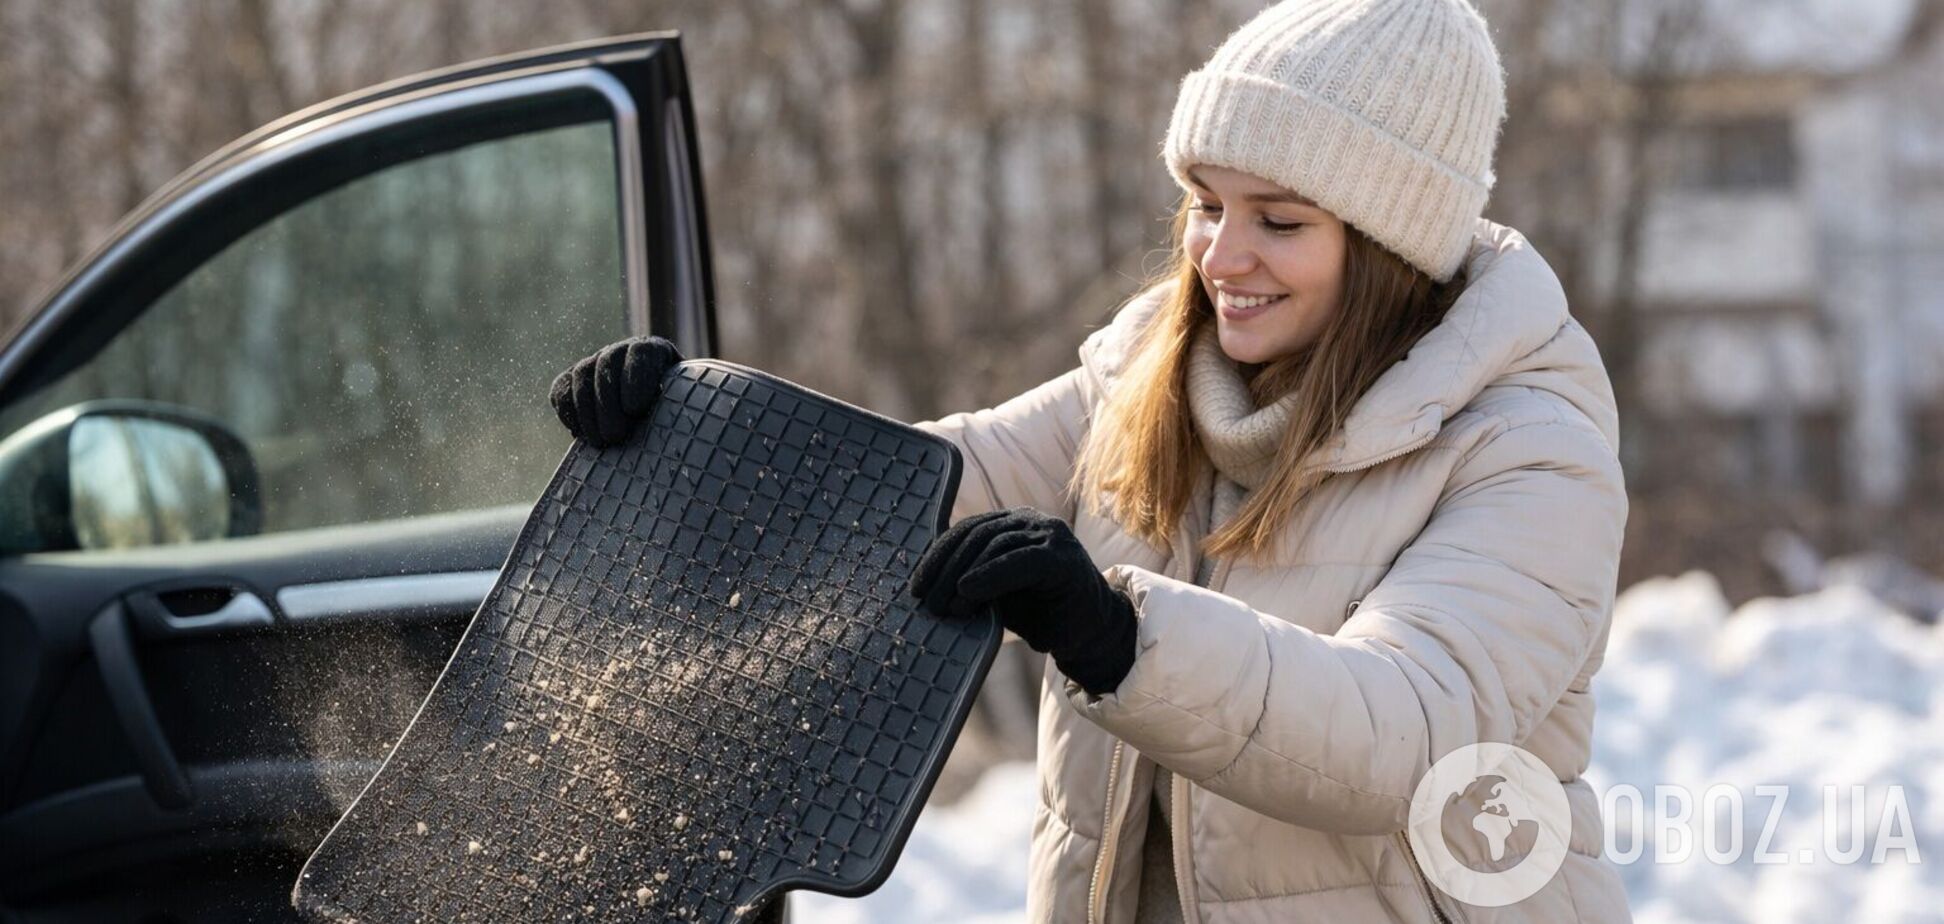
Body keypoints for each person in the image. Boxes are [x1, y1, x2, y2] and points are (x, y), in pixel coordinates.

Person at [549, 0, 1632, 920]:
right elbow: (920, 486)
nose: (1222, 254)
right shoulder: (1149, 376)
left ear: (1392, 246)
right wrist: (698, 441)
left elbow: (1407, 725)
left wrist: (1118, 637)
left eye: (1282, 221)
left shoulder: (1529, 450)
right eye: (1207, 205)